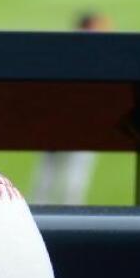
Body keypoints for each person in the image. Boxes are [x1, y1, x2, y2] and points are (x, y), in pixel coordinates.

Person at [32, 12, 111, 205]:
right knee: (60, 184)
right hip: (69, 124)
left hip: (67, 124)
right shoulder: (93, 55)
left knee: (60, 184)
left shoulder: (61, 52)